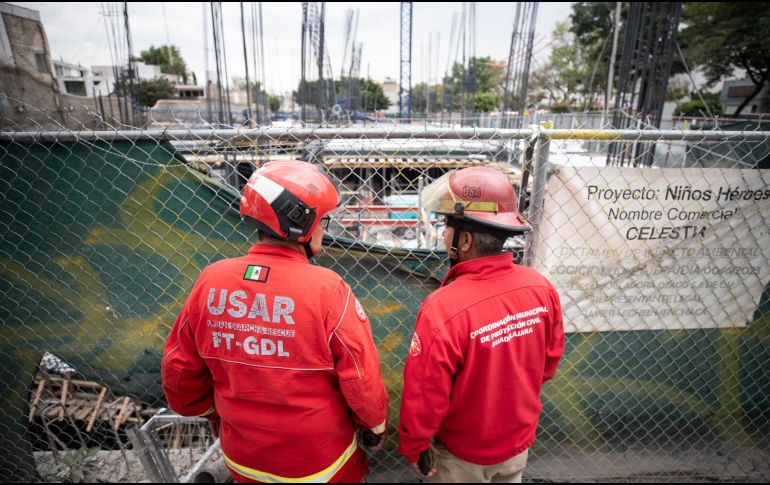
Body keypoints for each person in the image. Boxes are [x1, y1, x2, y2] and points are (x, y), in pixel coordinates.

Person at [162, 160, 389, 483]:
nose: (325, 228)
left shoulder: (211, 280)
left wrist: (210, 413)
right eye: (322, 220)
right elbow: (361, 376)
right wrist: (375, 423)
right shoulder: (327, 289)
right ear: (299, 223)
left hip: (243, 458)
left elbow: (179, 369)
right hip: (320, 464)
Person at [397, 167, 564, 483]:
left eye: (447, 227)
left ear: (466, 239)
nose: (444, 235)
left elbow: (425, 395)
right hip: (516, 444)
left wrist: (414, 445)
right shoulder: (539, 287)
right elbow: (548, 365)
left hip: (462, 457)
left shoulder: (443, 307)